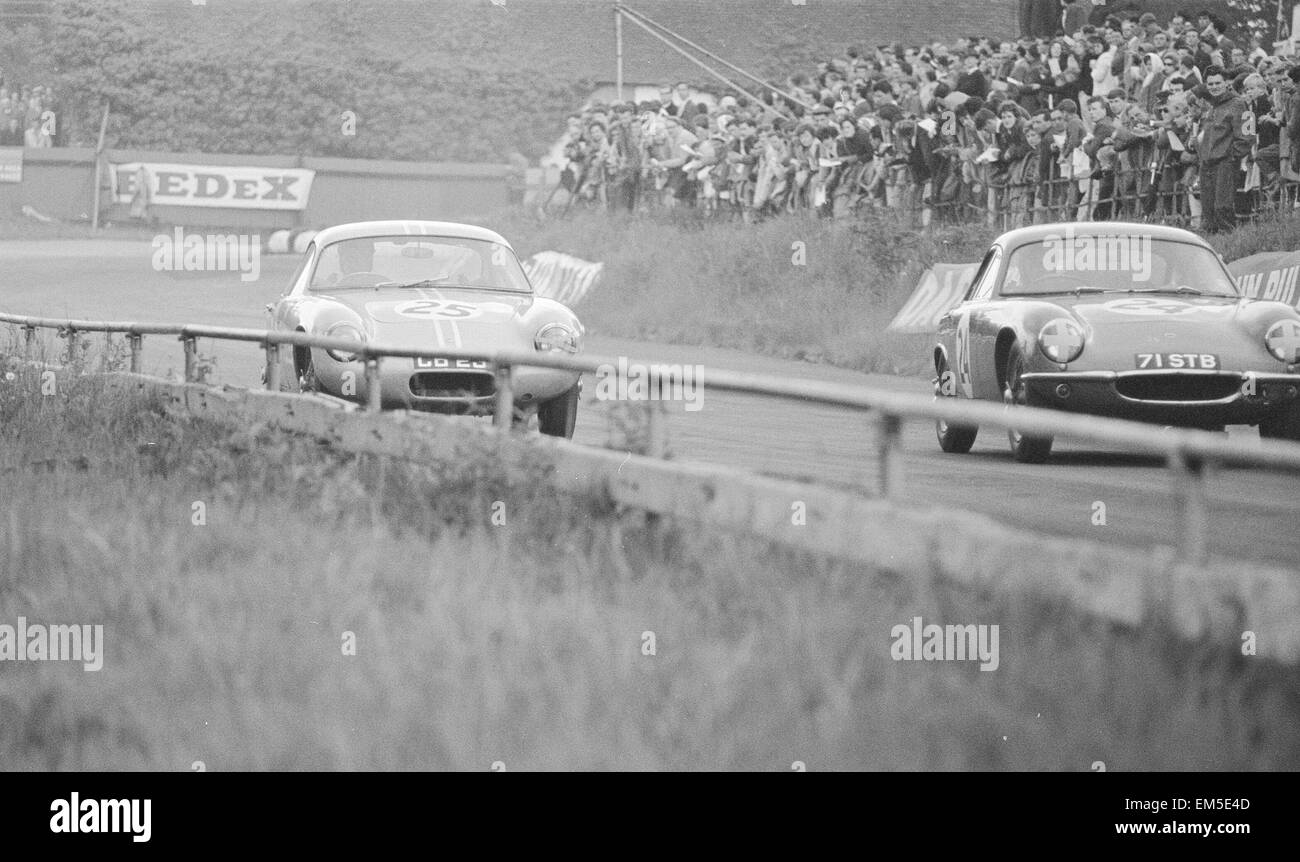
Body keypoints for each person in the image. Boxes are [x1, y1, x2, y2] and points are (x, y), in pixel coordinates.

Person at [1198, 65, 1253, 233]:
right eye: (1210, 84)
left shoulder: (1238, 104)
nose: (1214, 87)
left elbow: (1247, 136)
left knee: (1223, 207)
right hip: (1206, 164)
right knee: (1208, 211)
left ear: (1226, 83)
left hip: (1225, 163)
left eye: (1218, 83)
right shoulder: (1210, 107)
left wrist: (1231, 157)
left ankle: (1231, 241)